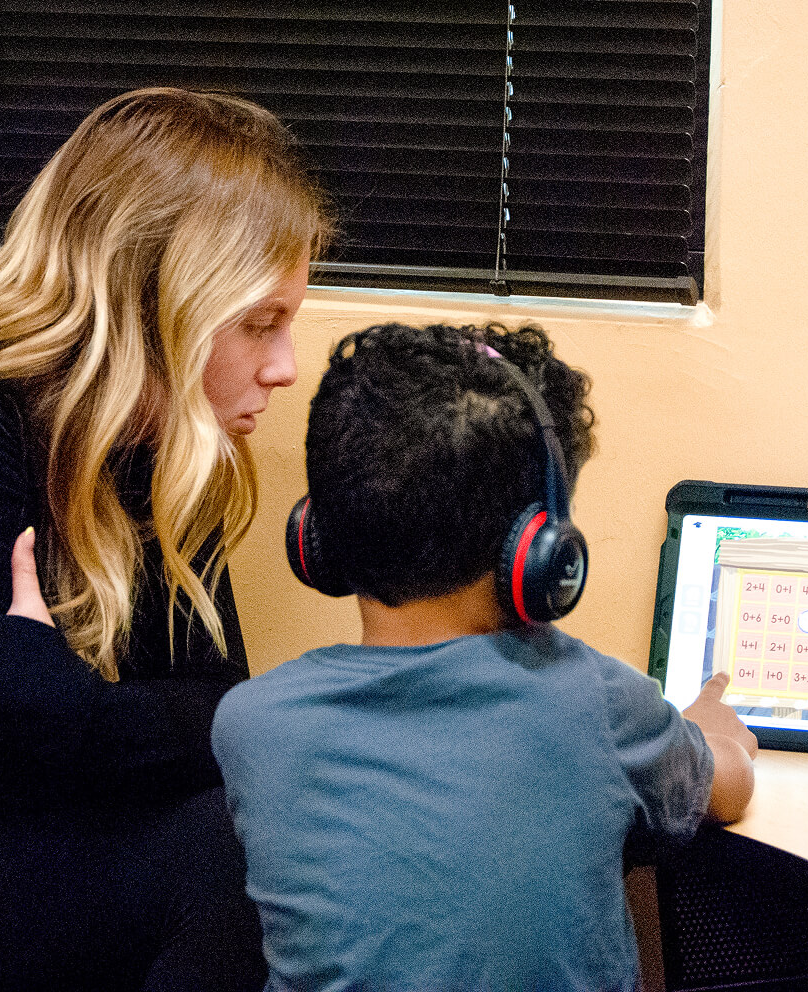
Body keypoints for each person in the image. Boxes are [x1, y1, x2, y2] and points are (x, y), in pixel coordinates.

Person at [0, 87, 330, 992]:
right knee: (235, 856)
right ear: (152, 305)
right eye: (260, 322)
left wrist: (61, 708)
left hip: (21, 806)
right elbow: (0, 772)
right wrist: (68, 719)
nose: (284, 366)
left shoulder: (150, 423)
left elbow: (221, 709)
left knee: (281, 813)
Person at [210, 321, 757, 991]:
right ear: (542, 550)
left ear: (317, 533)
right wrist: (709, 724)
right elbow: (727, 790)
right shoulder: (595, 701)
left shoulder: (251, 723)